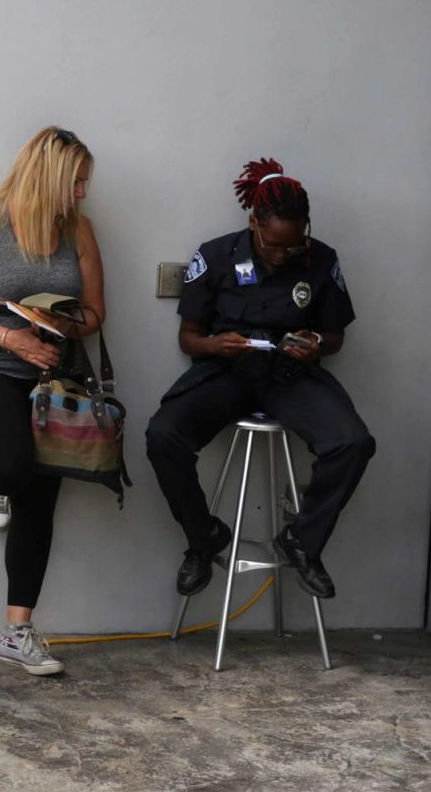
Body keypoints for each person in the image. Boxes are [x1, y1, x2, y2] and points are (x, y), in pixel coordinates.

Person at [144, 158, 375, 600]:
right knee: (163, 436)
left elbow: (336, 336)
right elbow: (188, 338)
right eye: (272, 245)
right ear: (253, 223)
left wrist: (317, 345)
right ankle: (202, 537)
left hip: (290, 375)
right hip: (227, 371)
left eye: (292, 246)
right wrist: (216, 345)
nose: (281, 255)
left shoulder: (322, 260)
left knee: (353, 442)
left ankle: (301, 542)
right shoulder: (214, 256)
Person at [0, 126, 107, 676]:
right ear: (49, 177)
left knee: (40, 495)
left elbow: (98, 313)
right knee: (8, 468)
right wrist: (12, 336)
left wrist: (66, 321)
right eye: (76, 181)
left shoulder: (79, 231)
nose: (82, 193)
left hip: (54, 376)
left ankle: (17, 632)